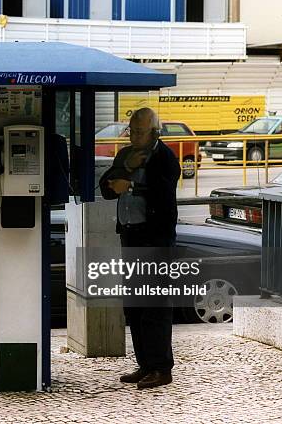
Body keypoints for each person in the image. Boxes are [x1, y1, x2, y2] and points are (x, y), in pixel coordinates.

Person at [99, 107, 181, 390]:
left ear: (154, 132)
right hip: (130, 238)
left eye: (139, 130)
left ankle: (161, 367)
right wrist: (126, 169)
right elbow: (106, 186)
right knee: (134, 306)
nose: (133, 135)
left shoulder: (165, 158)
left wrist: (130, 184)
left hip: (155, 241)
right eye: (130, 130)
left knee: (155, 306)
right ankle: (145, 364)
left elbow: (163, 193)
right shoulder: (125, 155)